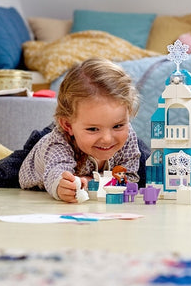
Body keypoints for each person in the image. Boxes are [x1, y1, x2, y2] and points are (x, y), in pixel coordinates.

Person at [19, 58, 141, 203]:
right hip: (38, 167)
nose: (107, 139)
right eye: (93, 129)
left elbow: (130, 177)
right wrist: (63, 186)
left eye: (118, 126)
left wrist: (93, 182)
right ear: (68, 125)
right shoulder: (58, 143)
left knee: (146, 162)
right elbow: (56, 173)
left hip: (94, 173)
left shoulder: (128, 136)